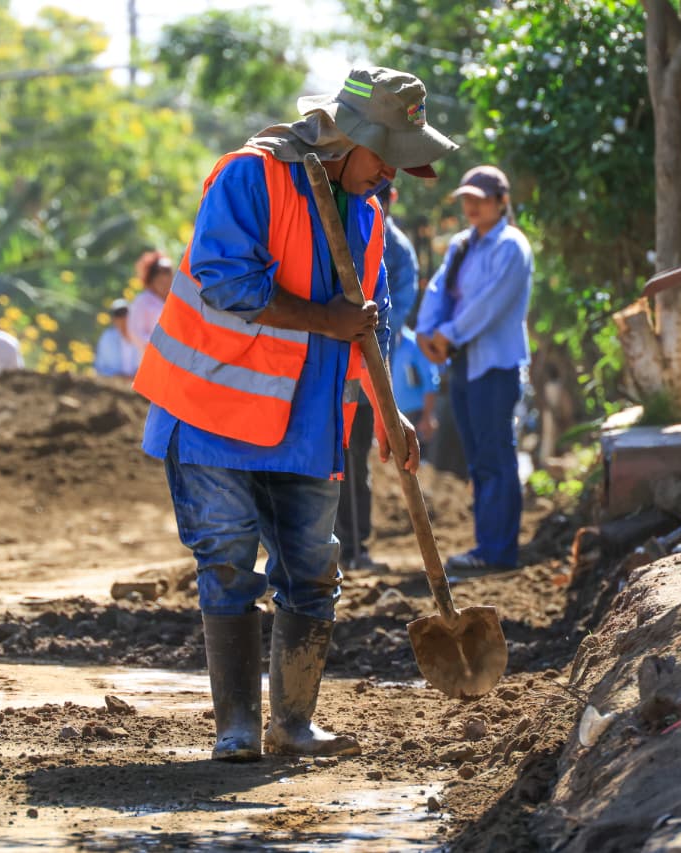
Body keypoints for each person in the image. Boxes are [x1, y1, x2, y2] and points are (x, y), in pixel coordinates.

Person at [132, 67, 455, 762]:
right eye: (388, 157)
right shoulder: (251, 177)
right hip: (215, 412)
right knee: (226, 562)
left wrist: (389, 414)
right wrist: (325, 319)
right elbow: (225, 280)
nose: (392, 176)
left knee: (312, 570)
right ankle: (238, 728)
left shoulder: (367, 215)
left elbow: (374, 326)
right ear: (354, 139)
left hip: (307, 427)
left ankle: (294, 724)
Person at [415, 166, 532, 573]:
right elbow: (438, 289)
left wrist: (446, 334)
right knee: (479, 459)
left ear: (502, 201)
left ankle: (499, 551)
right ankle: (488, 546)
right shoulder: (463, 244)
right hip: (464, 363)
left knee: (496, 456)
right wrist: (427, 333)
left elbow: (488, 303)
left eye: (480, 198)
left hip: (496, 366)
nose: (471, 206)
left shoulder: (511, 246)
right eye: (467, 198)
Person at [334, 182, 420, 572]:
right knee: (333, 452)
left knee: (355, 456)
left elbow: (391, 315)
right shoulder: (346, 226)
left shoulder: (396, 249)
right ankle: (336, 546)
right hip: (338, 362)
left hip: (369, 366)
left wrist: (364, 343)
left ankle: (356, 545)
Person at [392, 325, 441, 447]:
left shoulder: (416, 344)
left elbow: (430, 382)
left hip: (417, 416)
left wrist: (427, 416)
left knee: (417, 460)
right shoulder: (387, 345)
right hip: (395, 415)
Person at [127, 250, 174, 353]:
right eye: (159, 274)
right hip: (153, 360)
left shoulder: (177, 299)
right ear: (151, 279)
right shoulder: (142, 302)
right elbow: (136, 333)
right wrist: (161, 344)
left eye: (168, 272)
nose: (165, 278)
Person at [94, 298, 141, 377]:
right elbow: (100, 367)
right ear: (113, 319)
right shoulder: (107, 338)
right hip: (114, 386)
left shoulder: (141, 335)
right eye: (118, 315)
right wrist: (118, 376)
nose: (122, 318)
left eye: (125, 314)